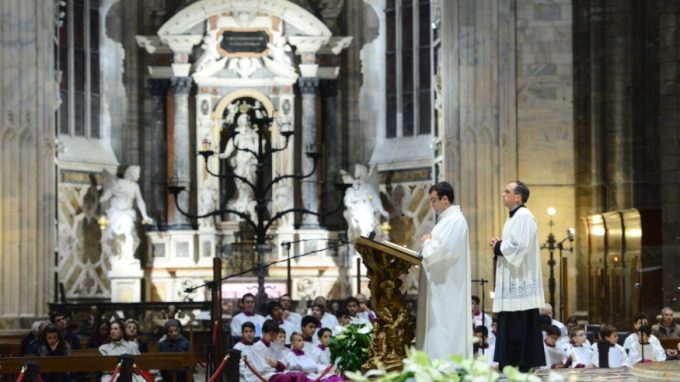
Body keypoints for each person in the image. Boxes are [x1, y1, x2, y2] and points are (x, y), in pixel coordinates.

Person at [489, 181, 546, 372]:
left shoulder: (524, 216)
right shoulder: (513, 217)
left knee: (519, 324)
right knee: (512, 323)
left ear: (518, 197)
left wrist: (499, 246)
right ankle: (510, 361)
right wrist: (501, 243)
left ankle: (521, 363)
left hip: (520, 280)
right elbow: (513, 243)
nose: (503, 194)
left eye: (507, 191)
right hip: (513, 279)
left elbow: (520, 247)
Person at [417, 181, 472, 359]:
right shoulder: (447, 220)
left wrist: (427, 242)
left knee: (445, 327)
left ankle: (447, 367)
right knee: (439, 326)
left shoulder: (455, 220)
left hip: (448, 286)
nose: (431, 205)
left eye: (434, 200)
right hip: (441, 285)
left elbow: (443, 250)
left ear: (445, 199)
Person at [243, 320, 308, 382]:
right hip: (261, 376)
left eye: (275, 335)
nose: (273, 337)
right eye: (271, 334)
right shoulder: (256, 348)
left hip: (276, 372)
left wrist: (277, 364)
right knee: (284, 378)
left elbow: (284, 361)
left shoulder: (275, 345)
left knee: (300, 375)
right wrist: (277, 366)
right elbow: (262, 369)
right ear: (263, 332)